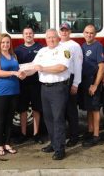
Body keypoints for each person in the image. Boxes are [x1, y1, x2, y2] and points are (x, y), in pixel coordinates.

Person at [32, 29, 71, 160]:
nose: (51, 39)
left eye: (53, 37)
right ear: (45, 39)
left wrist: (43, 69)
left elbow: (61, 68)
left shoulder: (64, 50)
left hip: (58, 89)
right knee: (48, 118)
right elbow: (33, 66)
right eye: (48, 37)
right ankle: (54, 144)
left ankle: (60, 149)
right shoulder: (42, 51)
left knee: (58, 119)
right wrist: (21, 73)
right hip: (44, 88)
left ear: (58, 38)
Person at [0, 33, 25, 156]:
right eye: (3, 42)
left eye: (8, 42)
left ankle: (7, 143)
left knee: (10, 120)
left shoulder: (13, 55)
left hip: (14, 91)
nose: (5, 44)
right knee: (0, 119)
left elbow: (18, 70)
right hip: (1, 92)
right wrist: (14, 73)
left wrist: (21, 73)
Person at [14, 27, 44, 144]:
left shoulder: (40, 48)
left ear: (33, 35)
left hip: (37, 83)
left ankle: (36, 134)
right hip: (23, 84)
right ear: (23, 35)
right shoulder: (17, 50)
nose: (28, 35)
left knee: (37, 109)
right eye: (26, 33)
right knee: (23, 110)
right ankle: (23, 134)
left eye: (30, 33)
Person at [79, 24, 104, 147]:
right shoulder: (83, 46)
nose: (89, 35)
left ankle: (96, 135)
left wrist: (95, 84)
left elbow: (101, 67)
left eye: (91, 33)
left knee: (95, 109)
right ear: (84, 33)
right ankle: (90, 131)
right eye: (87, 32)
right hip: (85, 82)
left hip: (93, 81)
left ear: (95, 34)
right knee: (89, 108)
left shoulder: (98, 46)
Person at [59, 22, 83, 147]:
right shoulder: (57, 45)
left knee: (71, 110)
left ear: (70, 32)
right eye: (62, 30)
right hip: (59, 80)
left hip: (70, 79)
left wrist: (76, 83)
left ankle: (74, 136)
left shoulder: (75, 46)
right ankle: (65, 135)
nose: (64, 32)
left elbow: (78, 66)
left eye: (66, 30)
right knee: (61, 110)